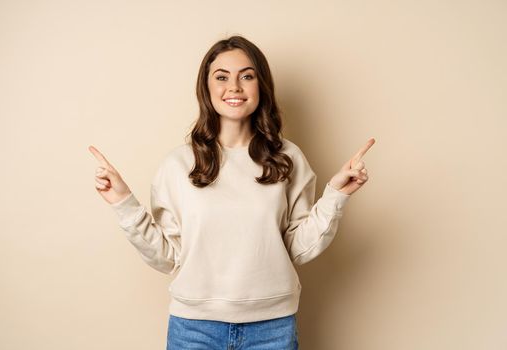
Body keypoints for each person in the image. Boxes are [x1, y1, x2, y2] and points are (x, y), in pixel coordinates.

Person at [89, 35, 375, 349]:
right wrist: (123, 202)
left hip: (272, 329)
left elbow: (299, 248)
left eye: (247, 76)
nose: (234, 87)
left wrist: (336, 194)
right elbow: (168, 256)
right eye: (222, 77)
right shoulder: (177, 164)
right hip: (194, 330)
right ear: (207, 88)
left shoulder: (288, 159)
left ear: (260, 85)